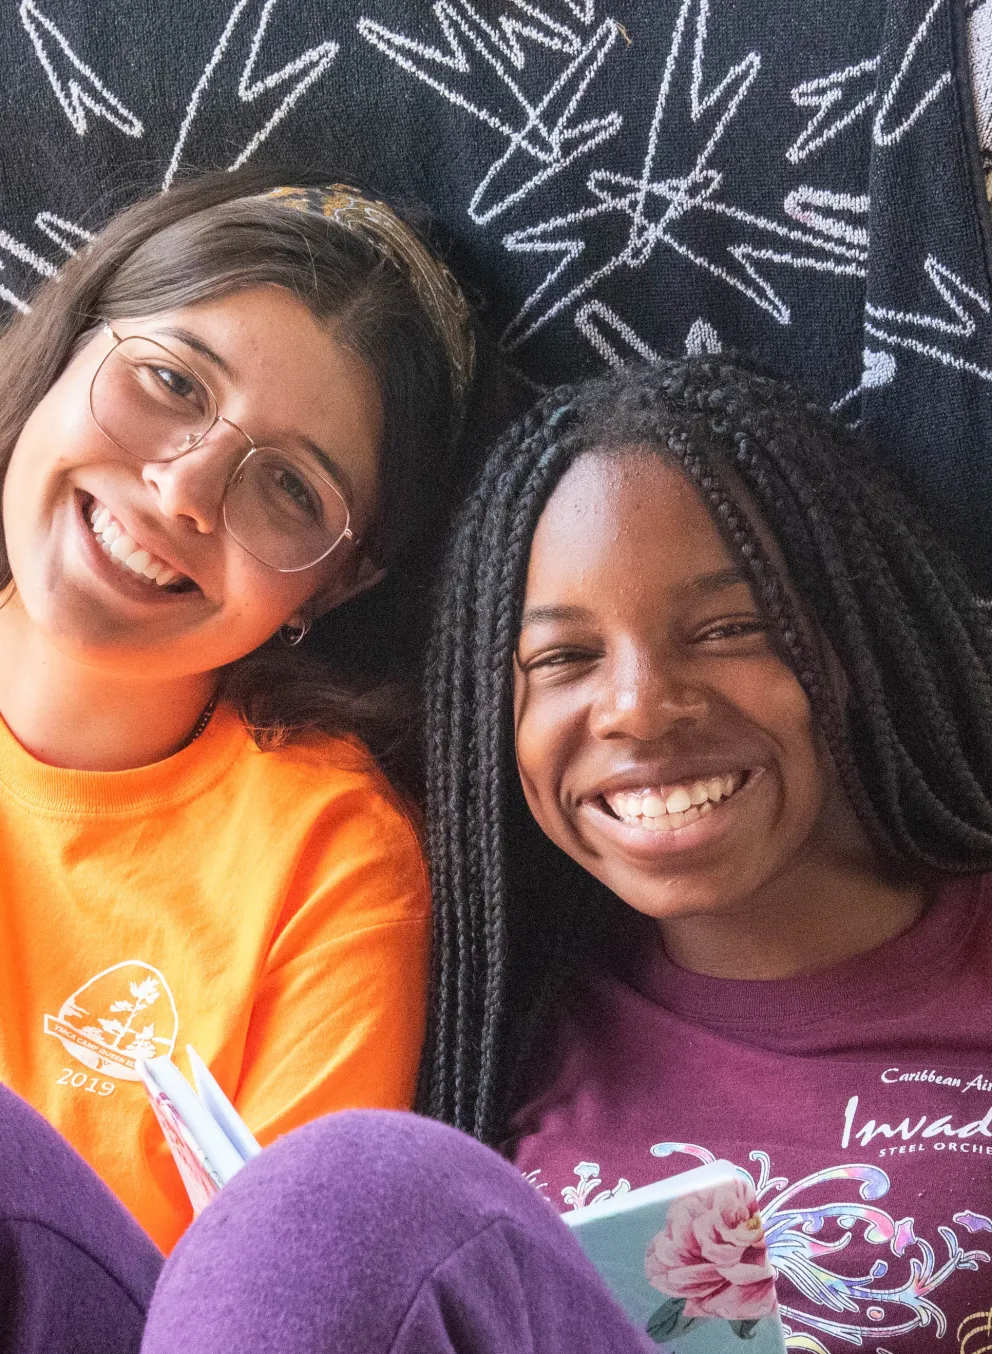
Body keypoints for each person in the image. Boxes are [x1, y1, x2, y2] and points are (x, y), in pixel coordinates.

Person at [139, 357, 992, 1354]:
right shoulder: (502, 1013)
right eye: (563, 659)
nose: (634, 705)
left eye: (725, 629)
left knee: (344, 1186)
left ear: (854, 645)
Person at [0, 167, 474, 1254]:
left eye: (291, 490)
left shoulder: (330, 858)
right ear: (73, 339)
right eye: (169, 381)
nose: (181, 490)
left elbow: (284, 1296)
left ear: (337, 585)